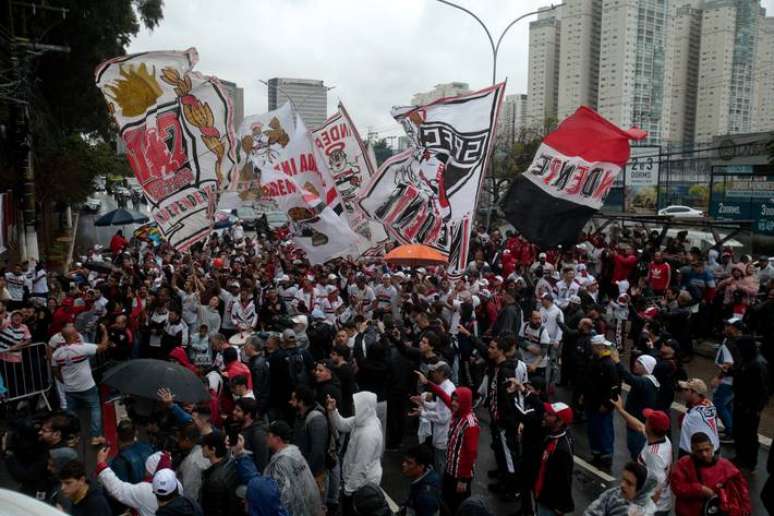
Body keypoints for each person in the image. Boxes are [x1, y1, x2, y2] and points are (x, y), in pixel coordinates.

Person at [416, 370, 479, 515]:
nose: (454, 403)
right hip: (450, 470)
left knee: (458, 506)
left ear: (464, 402)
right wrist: (428, 383)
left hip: (460, 476)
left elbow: (471, 453)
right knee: (446, 503)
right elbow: (444, 396)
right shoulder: (458, 411)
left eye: (457, 400)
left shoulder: (470, 424)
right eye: (454, 399)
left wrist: (463, 479)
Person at [610, 398, 673, 515]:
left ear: (651, 428)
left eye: (647, 420)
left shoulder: (654, 455)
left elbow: (657, 488)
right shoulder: (662, 439)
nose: (645, 421)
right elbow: (638, 426)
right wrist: (620, 409)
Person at [51, 323, 110, 445]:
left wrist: (65, 381)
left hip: (70, 388)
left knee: (71, 413)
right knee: (94, 408)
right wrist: (104, 331)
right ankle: (95, 436)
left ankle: (71, 438)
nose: (78, 334)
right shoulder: (82, 348)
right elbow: (104, 346)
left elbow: (55, 371)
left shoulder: (57, 354)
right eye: (75, 332)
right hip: (87, 386)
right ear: (73, 336)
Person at [326, 391, 383, 516]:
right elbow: (342, 425)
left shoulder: (368, 434)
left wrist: (348, 490)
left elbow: (361, 466)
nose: (353, 406)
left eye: (356, 405)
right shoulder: (364, 419)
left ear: (364, 407)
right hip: (355, 483)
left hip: (361, 486)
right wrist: (333, 410)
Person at [671, 432, 752, 516]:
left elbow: (741, 486)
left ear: (712, 447)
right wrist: (700, 489)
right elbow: (677, 487)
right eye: (699, 451)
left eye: (707, 449)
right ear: (692, 449)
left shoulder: (724, 465)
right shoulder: (683, 464)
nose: (704, 454)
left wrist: (746, 507)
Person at [263, 420, 323, 516]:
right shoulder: (295, 453)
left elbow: (282, 496)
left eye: (268, 435)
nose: (265, 438)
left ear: (277, 439)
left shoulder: (279, 463)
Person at [612, 352, 660, 459]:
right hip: (636, 424)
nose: (635, 364)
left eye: (640, 363)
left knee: (637, 453)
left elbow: (629, 378)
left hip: (637, 426)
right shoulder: (649, 381)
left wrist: (617, 362)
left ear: (646, 367)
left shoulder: (646, 382)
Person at [731, 335, 769, 470]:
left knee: (749, 435)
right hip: (740, 403)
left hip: (750, 408)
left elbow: (763, 390)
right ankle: (740, 456)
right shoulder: (747, 359)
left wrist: (756, 409)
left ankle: (749, 461)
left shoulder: (758, 364)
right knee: (739, 432)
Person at [585, 335, 620, 468]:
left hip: (602, 405)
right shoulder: (594, 360)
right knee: (593, 430)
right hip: (591, 402)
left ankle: (606, 457)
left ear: (599, 346)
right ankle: (596, 454)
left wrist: (607, 404)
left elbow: (614, 386)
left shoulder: (608, 364)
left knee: (604, 430)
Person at [534, 402, 575, 516]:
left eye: (550, 414)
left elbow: (565, 479)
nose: (545, 415)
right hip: (542, 495)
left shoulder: (562, 450)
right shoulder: (553, 433)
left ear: (560, 421)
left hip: (549, 504)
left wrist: (561, 506)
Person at [290, 384, 330, 498]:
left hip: (313, 475)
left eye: (293, 400)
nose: (290, 402)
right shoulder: (300, 415)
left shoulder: (317, 419)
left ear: (301, 402)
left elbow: (317, 452)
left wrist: (306, 473)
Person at [584, 461, 657, 516]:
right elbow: (591, 512)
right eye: (623, 479)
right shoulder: (613, 493)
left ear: (641, 490)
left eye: (629, 483)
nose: (622, 485)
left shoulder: (645, 512)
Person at [201, 431, 242, 516]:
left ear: (213, 450)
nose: (202, 448)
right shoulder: (231, 462)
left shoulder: (214, 481)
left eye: (204, 445)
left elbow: (214, 511)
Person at [677, 378, 719, 456]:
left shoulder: (693, 416)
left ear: (695, 393)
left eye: (686, 390)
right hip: (713, 450)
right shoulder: (710, 404)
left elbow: (681, 424)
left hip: (695, 455)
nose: (683, 392)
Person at [400, 444, 442, 516]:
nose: (404, 464)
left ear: (421, 467)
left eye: (409, 463)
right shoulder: (429, 474)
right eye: (405, 461)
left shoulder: (425, 497)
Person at [110, 419, 154, 484]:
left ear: (116, 435)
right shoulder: (148, 448)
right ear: (136, 433)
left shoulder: (120, 461)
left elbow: (120, 487)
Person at [232, 397, 269, 472]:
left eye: (238, 410)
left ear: (248, 414)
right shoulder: (238, 426)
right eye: (235, 409)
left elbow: (261, 465)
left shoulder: (259, 434)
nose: (234, 412)